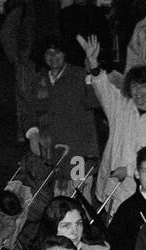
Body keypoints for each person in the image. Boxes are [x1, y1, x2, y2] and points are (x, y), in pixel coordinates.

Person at [80, 35, 146, 213]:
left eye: (143, 86)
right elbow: (103, 87)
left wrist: (129, 170)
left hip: (139, 185)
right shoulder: (120, 106)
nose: (138, 91)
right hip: (112, 180)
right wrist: (93, 62)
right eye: (134, 86)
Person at [22, 36, 101, 175]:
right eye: (48, 53)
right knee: (52, 195)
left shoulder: (79, 75)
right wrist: (33, 133)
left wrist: (92, 72)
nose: (53, 56)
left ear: (65, 54)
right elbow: (29, 111)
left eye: (58, 52)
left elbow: (94, 102)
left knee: (77, 193)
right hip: (49, 153)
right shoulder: (38, 80)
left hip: (79, 152)